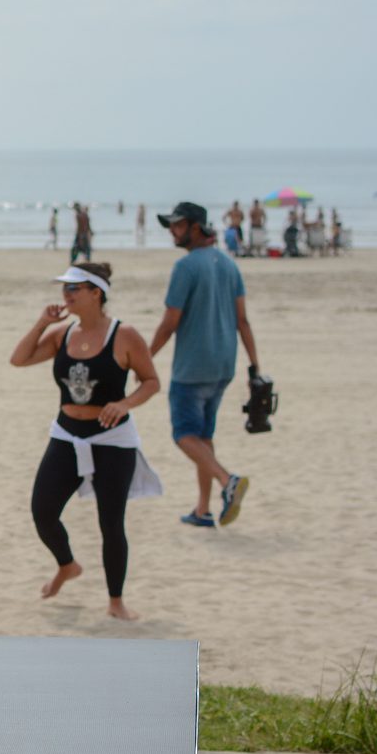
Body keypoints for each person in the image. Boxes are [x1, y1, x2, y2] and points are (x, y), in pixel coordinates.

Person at [9, 263, 162, 621]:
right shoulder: (63, 335)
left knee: (111, 522)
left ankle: (115, 601)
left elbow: (151, 381)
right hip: (66, 434)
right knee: (42, 511)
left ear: (97, 293)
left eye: (75, 288)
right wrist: (42, 323)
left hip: (112, 438)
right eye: (65, 288)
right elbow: (19, 359)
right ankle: (67, 565)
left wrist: (124, 404)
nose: (67, 295)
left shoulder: (125, 336)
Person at [150, 203, 257, 528]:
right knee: (203, 437)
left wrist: (143, 357)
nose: (172, 231)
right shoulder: (228, 265)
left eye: (177, 225)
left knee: (184, 434)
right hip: (224, 364)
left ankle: (228, 482)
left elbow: (170, 322)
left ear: (195, 227)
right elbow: (242, 320)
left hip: (193, 366)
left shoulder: (186, 267)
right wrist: (254, 366)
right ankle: (202, 509)